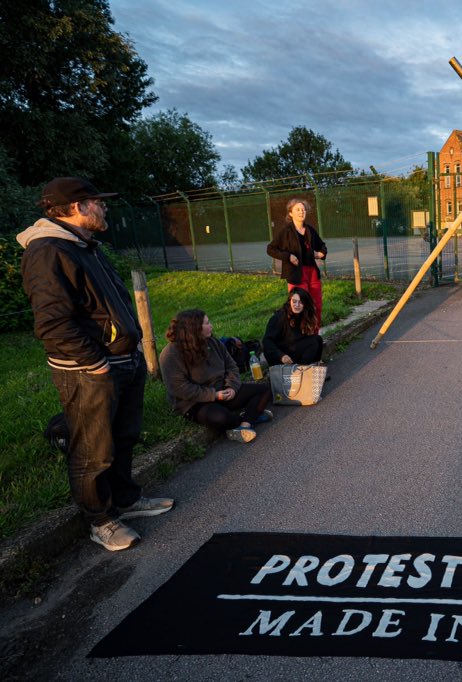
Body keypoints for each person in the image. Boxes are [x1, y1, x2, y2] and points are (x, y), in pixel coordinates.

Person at [18, 177, 173, 552]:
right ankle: (100, 521)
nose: (104, 208)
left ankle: (125, 500)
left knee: (122, 437)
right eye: (97, 202)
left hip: (123, 361)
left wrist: (129, 352)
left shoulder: (84, 246)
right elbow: (53, 323)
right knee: (92, 449)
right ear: (76, 207)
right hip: (90, 371)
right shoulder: (48, 251)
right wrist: (96, 364)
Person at [160, 309, 273, 445]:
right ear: (194, 329)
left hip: (222, 391)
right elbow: (180, 389)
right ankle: (248, 417)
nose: (211, 326)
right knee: (221, 417)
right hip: (196, 402)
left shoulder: (213, 342)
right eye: (207, 323)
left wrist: (231, 387)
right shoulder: (170, 355)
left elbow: (231, 366)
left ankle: (245, 424)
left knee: (265, 390)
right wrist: (214, 395)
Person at [267, 198, 327, 330]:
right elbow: (270, 249)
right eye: (298, 209)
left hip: (312, 273)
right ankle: (299, 336)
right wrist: (288, 256)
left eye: (303, 209)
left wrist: (321, 253)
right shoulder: (286, 232)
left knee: (316, 306)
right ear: (290, 213)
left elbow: (322, 246)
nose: (301, 212)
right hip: (296, 274)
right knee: (299, 307)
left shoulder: (310, 230)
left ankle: (314, 335)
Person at [263, 288, 324, 366]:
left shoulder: (303, 314)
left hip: (292, 348)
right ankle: (300, 373)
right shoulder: (279, 317)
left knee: (317, 339)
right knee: (312, 343)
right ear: (289, 302)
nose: (297, 305)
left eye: (300, 302)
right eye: (294, 302)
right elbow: (267, 342)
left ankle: (312, 370)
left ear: (305, 304)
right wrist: (281, 356)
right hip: (280, 356)